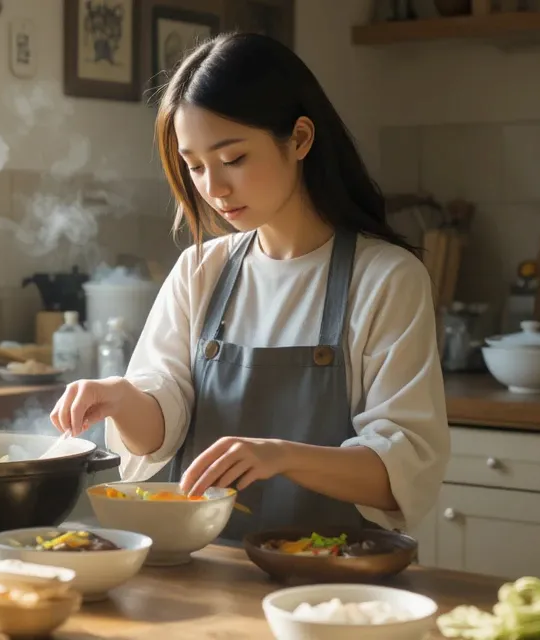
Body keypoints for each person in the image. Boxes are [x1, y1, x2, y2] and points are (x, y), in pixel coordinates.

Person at [49, 32, 450, 541]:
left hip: (337, 587)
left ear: (301, 139)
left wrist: (278, 455)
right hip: (210, 574)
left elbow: (404, 472)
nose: (213, 189)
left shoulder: (387, 279)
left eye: (233, 158)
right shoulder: (200, 271)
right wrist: (119, 399)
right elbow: (159, 431)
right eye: (194, 167)